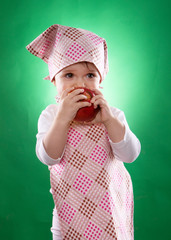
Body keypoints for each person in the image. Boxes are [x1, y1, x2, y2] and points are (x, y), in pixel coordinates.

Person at [26, 24, 141, 240]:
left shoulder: (112, 114)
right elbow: (48, 156)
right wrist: (62, 119)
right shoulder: (51, 116)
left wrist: (109, 121)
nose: (80, 83)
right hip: (69, 209)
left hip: (111, 209)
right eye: (69, 75)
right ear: (54, 81)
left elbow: (131, 155)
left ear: (101, 80)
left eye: (89, 75)